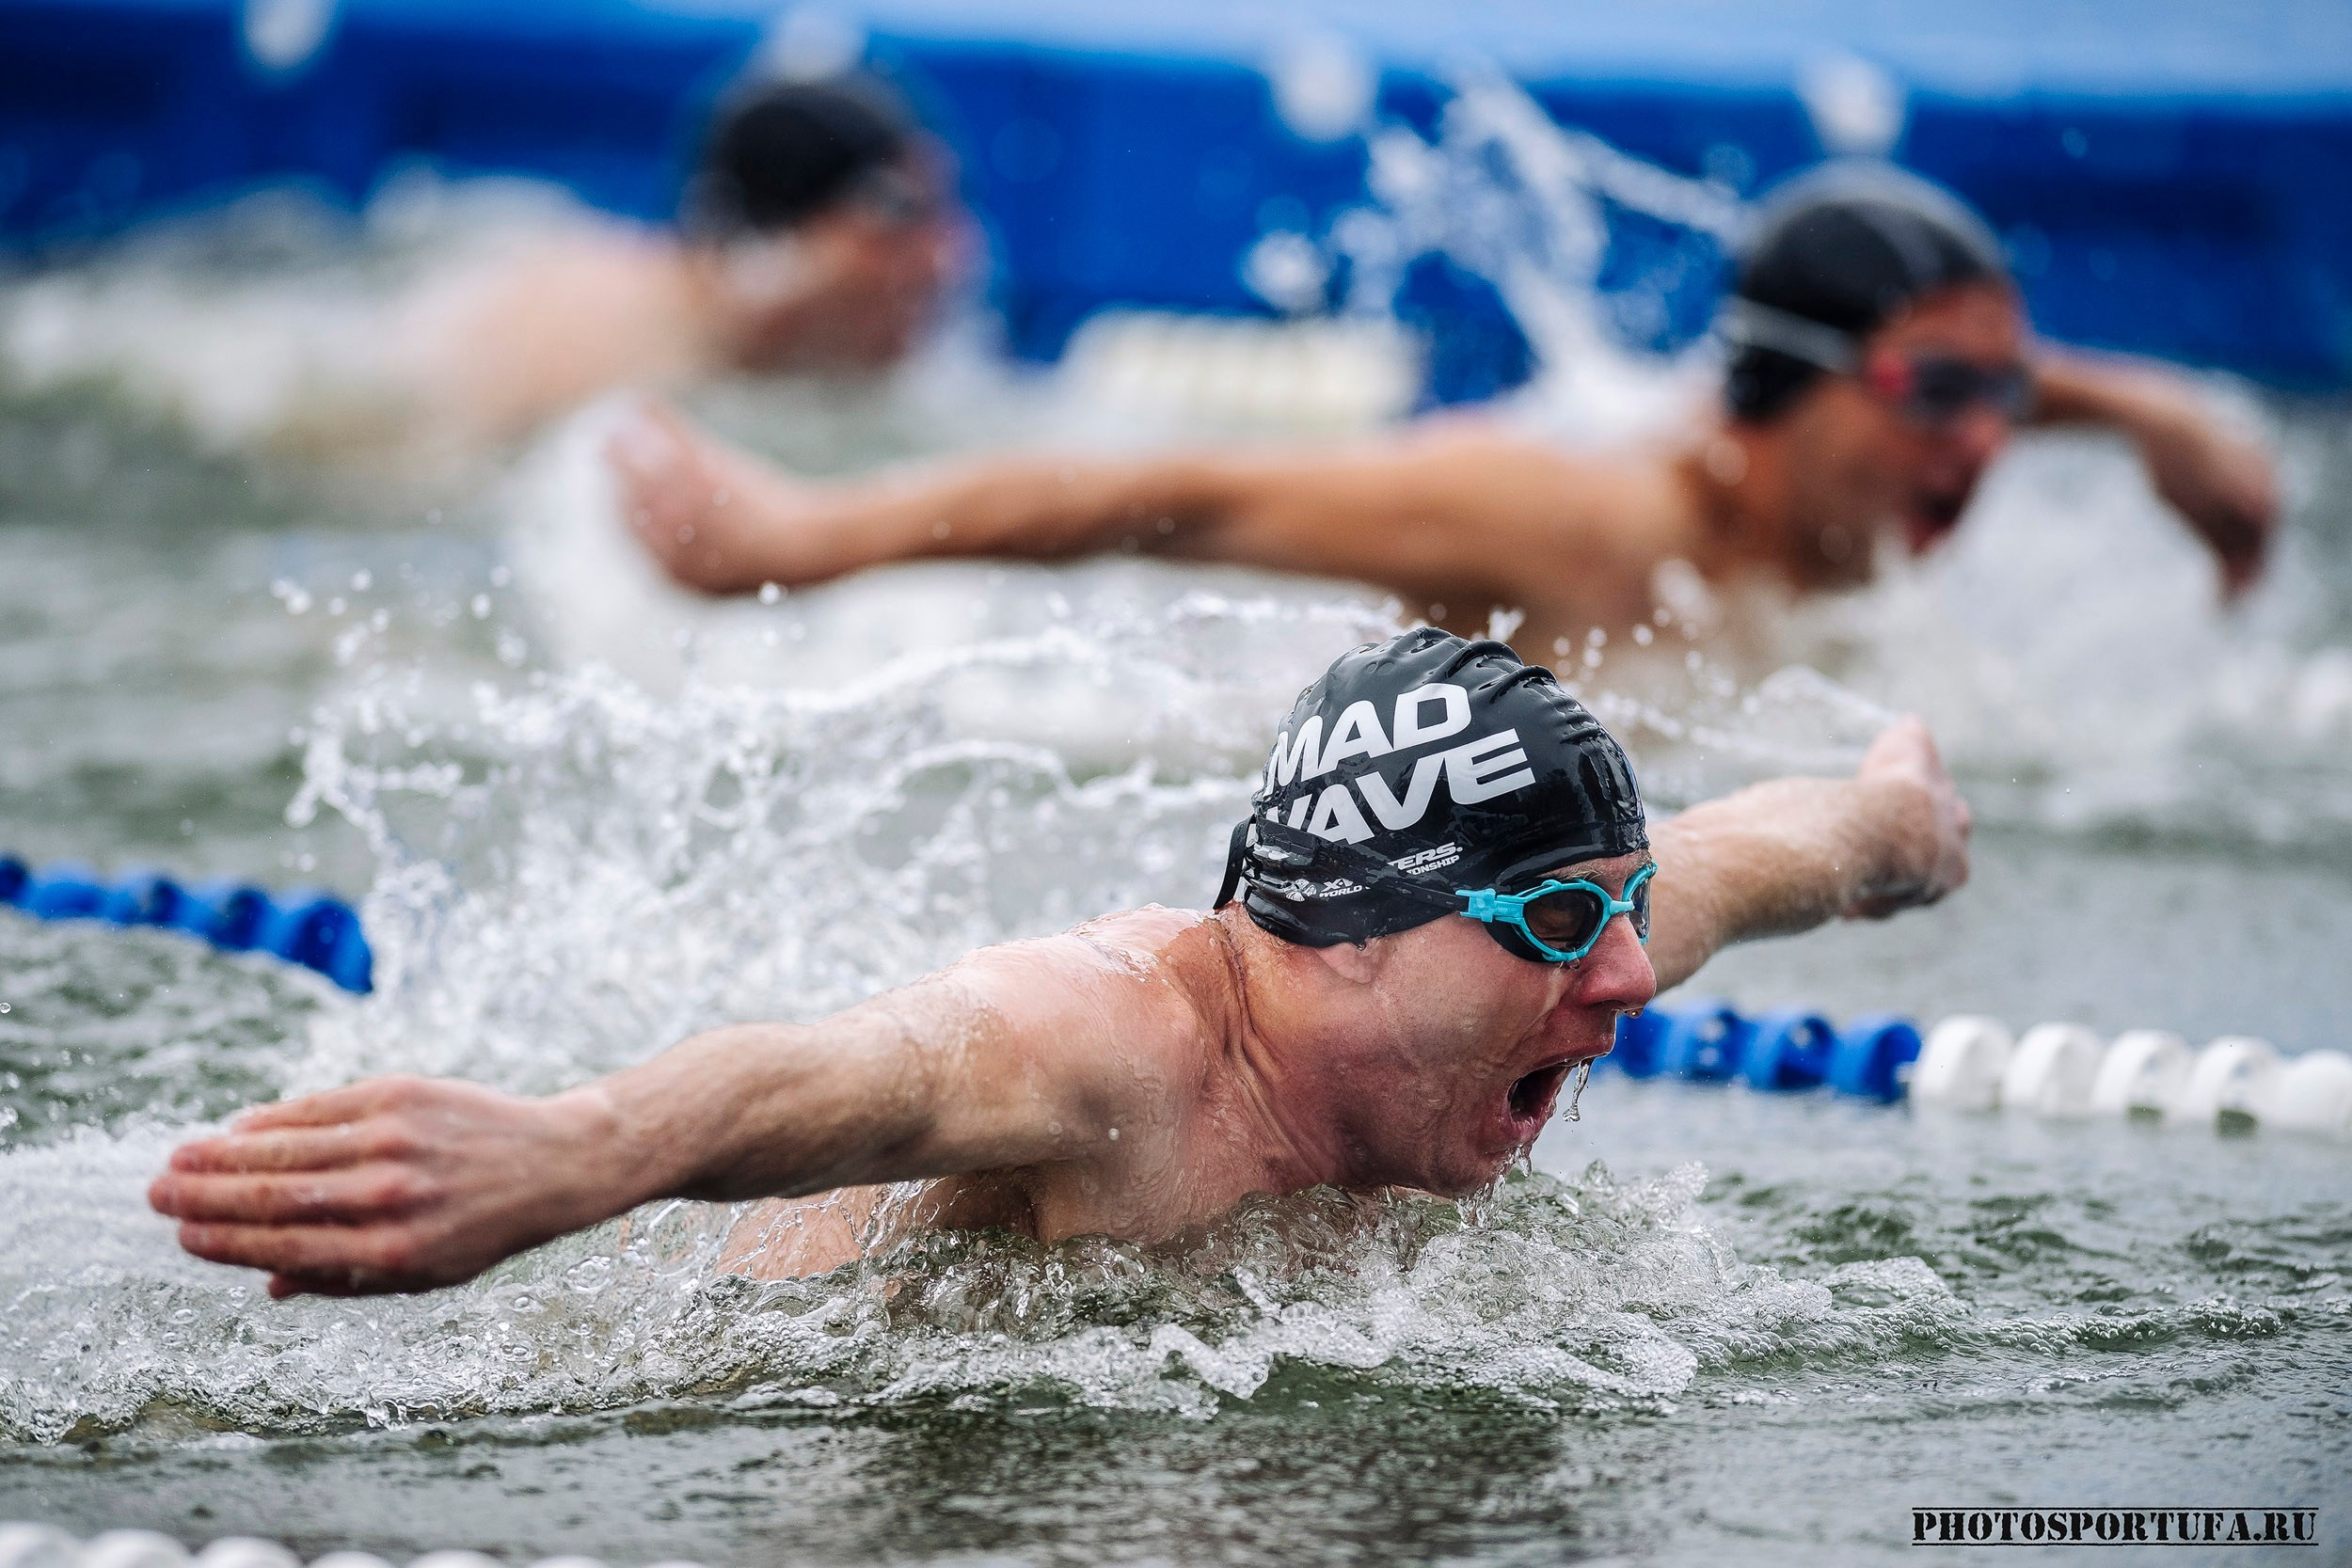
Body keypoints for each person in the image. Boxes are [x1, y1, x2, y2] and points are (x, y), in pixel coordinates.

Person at [149, 629, 1971, 1297]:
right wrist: (569, 1151)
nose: (1633, 976)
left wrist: (1897, 820)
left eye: (1624, 902)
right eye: (1563, 922)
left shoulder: (1555, 949)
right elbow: (848, 1067)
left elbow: (1775, 843)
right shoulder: (1108, 1044)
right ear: (1343, 930)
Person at [608, 163, 2276, 653]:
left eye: (2009, 397)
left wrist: (2158, 423)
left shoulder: (1838, 464)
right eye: (1940, 397)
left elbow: (1982, 384)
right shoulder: (1576, 519)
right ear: (1781, 387)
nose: (1986, 441)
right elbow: (1176, 493)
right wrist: (805, 536)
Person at [401, 71, 971, 444]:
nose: (946, 256)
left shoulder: (818, 377)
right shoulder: (590, 347)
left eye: (945, 210)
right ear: (785, 252)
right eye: (900, 215)